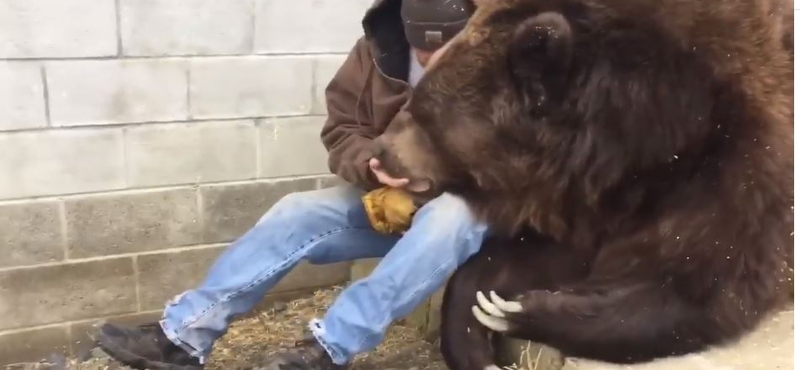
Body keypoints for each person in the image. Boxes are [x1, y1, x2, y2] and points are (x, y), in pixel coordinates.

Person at [95, 1, 484, 369]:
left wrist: (428, 187)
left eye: (444, 45)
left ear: (471, 30)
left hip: (479, 207)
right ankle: (183, 338)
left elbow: (527, 161)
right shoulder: (376, 51)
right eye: (420, 44)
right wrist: (371, 165)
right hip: (393, 199)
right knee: (297, 210)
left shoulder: (503, 63)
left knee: (446, 218)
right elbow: (342, 129)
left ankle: (330, 349)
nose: (429, 58)